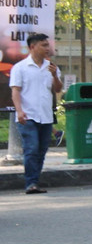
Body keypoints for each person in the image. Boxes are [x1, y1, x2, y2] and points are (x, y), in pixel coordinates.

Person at [10, 33, 63, 194]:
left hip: (46, 116)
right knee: (31, 148)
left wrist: (54, 75)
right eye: (44, 45)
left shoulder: (52, 67)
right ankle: (31, 183)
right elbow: (16, 91)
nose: (48, 48)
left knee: (41, 150)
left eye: (48, 45)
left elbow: (58, 89)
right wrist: (19, 111)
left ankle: (35, 181)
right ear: (32, 47)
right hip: (28, 116)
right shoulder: (20, 68)